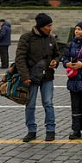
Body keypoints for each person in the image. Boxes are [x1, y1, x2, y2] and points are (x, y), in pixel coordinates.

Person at [15, 13, 60, 142]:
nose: (50, 28)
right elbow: (20, 58)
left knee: (48, 103)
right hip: (31, 77)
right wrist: (25, 76)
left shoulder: (51, 39)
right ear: (40, 26)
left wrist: (55, 61)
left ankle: (50, 130)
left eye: (51, 25)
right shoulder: (26, 38)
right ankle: (31, 130)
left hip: (47, 77)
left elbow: (57, 54)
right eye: (48, 26)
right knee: (30, 104)